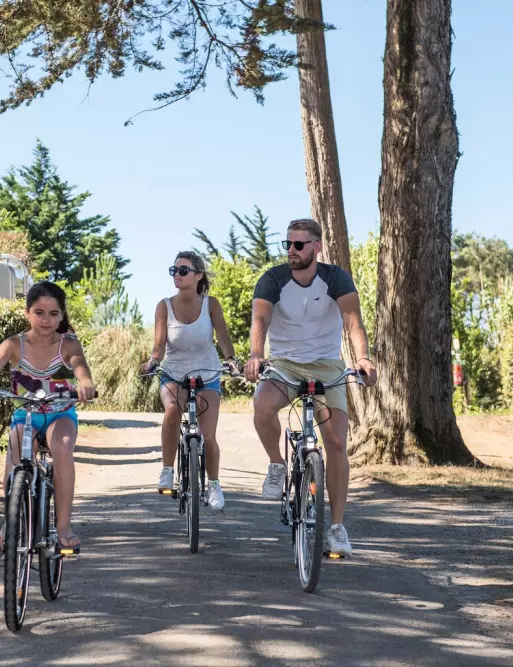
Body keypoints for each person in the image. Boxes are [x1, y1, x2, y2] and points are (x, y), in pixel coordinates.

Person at [244, 218, 378, 556]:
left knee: (335, 441)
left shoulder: (335, 278)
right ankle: (276, 464)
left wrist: (362, 358)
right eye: (287, 244)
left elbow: (353, 321)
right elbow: (259, 320)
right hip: (285, 364)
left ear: (316, 246)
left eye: (299, 245)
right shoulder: (273, 279)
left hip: (326, 366)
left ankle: (336, 528)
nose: (291, 250)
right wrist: (256, 356)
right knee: (262, 405)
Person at [0, 281, 96, 553]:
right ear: (27, 313)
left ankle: (63, 528)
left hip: (60, 414)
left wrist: (85, 382)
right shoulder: (15, 344)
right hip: (25, 415)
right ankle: (10, 521)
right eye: (39, 312)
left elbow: (79, 364)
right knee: (15, 457)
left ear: (62, 315)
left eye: (53, 313)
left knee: (61, 448)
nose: (46, 319)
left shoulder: (68, 344)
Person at [142, 251, 240, 511]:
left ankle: (215, 484)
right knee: (172, 410)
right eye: (174, 271)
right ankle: (166, 469)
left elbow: (223, 338)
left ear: (198, 275)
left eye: (183, 271)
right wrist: (152, 361)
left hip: (207, 373)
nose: (177, 275)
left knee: (208, 435)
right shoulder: (164, 305)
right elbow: (159, 345)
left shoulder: (212, 304)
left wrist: (231, 359)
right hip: (173, 372)